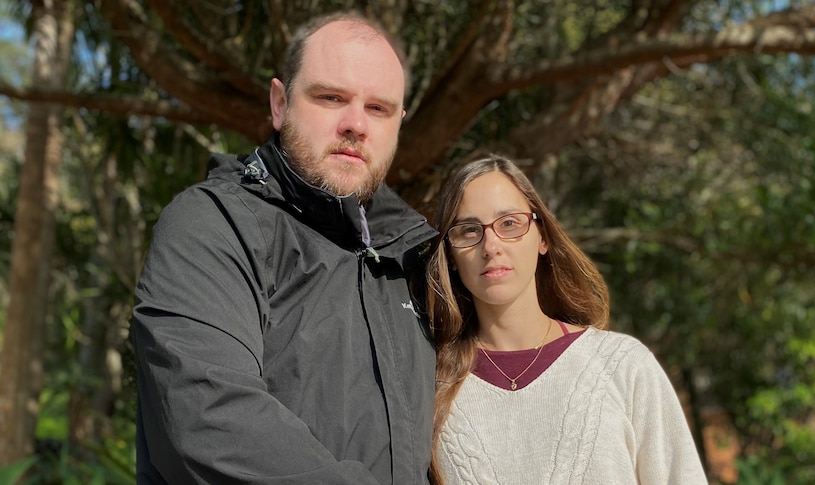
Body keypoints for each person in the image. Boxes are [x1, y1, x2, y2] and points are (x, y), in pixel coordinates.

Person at [131, 11, 437, 485]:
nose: (356, 123)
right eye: (331, 97)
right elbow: (208, 420)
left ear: (398, 123)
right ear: (280, 103)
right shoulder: (215, 225)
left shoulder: (418, 256)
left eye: (378, 108)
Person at [425, 156, 708, 484]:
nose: (491, 246)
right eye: (469, 230)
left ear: (542, 237)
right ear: (451, 256)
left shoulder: (624, 367)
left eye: (510, 224)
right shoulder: (430, 386)